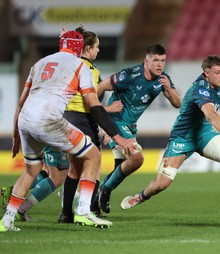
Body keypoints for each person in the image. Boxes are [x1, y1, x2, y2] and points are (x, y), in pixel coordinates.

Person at [0, 29, 135, 232]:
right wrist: (117, 136)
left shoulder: (40, 63)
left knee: (31, 170)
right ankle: (83, 211)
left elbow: (21, 102)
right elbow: (94, 106)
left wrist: (16, 135)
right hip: (50, 120)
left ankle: (7, 220)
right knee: (93, 156)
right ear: (80, 47)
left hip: (26, 121)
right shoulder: (81, 66)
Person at [120, 55, 220, 216]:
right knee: (162, 184)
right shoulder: (200, 90)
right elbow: (211, 115)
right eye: (217, 72)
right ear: (206, 73)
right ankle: (140, 197)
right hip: (183, 137)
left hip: (204, 135)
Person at [96, 43, 181, 214]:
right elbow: (100, 87)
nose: (159, 64)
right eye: (155, 60)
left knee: (120, 168)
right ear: (146, 61)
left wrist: (169, 90)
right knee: (137, 159)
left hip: (130, 126)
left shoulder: (163, 79)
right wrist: (100, 115)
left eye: (162, 60)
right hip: (115, 121)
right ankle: (104, 190)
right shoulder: (129, 75)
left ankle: (96, 196)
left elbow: (178, 103)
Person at [58, 26, 123, 223]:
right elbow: (91, 102)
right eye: (96, 47)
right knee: (93, 166)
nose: (98, 50)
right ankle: (89, 211)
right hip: (83, 119)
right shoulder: (91, 70)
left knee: (74, 170)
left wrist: (64, 37)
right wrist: (108, 111)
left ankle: (66, 214)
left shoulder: (69, 64)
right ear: (87, 48)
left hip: (66, 118)